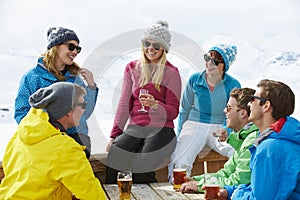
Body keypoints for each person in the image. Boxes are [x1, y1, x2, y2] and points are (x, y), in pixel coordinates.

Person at [105, 20, 181, 184]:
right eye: (147, 43)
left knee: (142, 163)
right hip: (136, 127)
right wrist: (114, 135)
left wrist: (155, 105)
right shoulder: (132, 68)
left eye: (157, 45)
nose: (151, 48)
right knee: (116, 152)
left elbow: (173, 111)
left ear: (164, 49)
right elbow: (124, 104)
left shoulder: (172, 72)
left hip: (163, 130)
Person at [0, 82, 106, 199]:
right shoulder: (66, 148)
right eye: (82, 105)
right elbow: (92, 194)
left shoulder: (21, 135)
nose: (84, 110)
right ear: (68, 111)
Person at [14, 27, 98, 158]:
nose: (75, 52)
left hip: (77, 140)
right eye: (71, 47)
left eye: (78, 49)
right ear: (56, 46)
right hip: (45, 143)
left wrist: (91, 87)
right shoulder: (32, 77)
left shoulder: (75, 78)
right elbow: (21, 113)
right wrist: (46, 133)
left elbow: (84, 112)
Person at [168, 44, 241, 180]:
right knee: (181, 159)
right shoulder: (195, 79)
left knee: (236, 152)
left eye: (215, 61)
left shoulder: (233, 84)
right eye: (207, 58)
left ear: (224, 65)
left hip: (220, 126)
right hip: (195, 124)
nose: (210, 63)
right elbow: (185, 109)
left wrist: (227, 131)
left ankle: (237, 185)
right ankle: (177, 188)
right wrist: (180, 136)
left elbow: (234, 113)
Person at [218, 79, 300, 199]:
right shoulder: (280, 140)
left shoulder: (270, 148)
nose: (249, 104)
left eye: (253, 99)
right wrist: (229, 191)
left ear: (266, 106)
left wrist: (236, 195)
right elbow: (263, 188)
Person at [179, 88, 259, 193]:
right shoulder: (242, 139)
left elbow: (240, 181)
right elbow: (225, 173)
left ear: (243, 113)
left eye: (229, 108)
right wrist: (197, 180)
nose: (225, 110)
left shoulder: (251, 140)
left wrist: (200, 185)